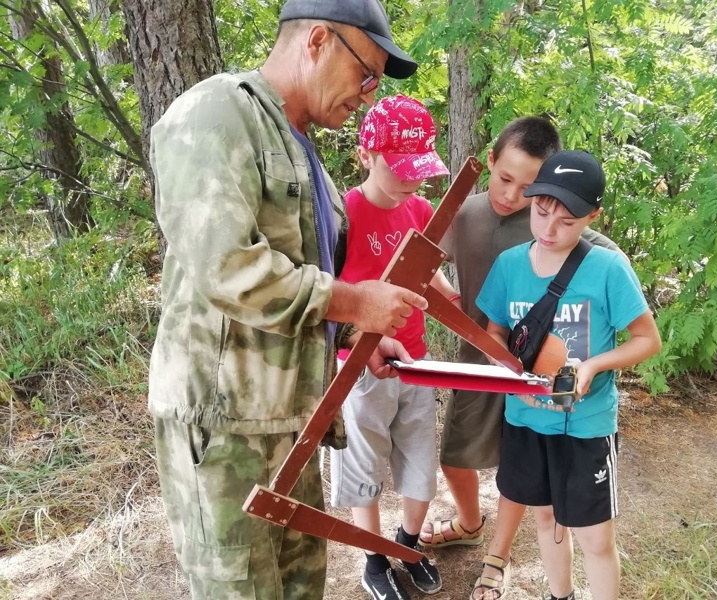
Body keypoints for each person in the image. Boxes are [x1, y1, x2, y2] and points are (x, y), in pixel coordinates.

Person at [147, 2, 428, 599]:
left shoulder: (305, 151)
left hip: (292, 427)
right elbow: (226, 267)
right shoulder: (216, 113)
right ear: (320, 40)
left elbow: (301, 282)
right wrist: (355, 304)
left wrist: (349, 337)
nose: (368, 93)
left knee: (302, 590)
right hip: (225, 433)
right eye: (367, 73)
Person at [420, 117, 624, 599]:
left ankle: (498, 555)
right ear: (490, 162)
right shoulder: (464, 213)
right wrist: (451, 299)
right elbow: (422, 259)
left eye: (527, 186)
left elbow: (603, 263)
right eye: (504, 178)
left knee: (519, 467)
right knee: (455, 455)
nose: (512, 196)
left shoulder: (551, 223)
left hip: (537, 378)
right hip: (479, 361)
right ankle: (470, 522)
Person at [475, 150, 661, 600]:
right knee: (545, 519)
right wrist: (505, 365)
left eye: (567, 221)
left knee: (595, 538)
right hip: (525, 420)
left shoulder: (607, 268)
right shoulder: (510, 265)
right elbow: (495, 331)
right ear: (533, 200)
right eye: (542, 212)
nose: (550, 230)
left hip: (585, 425)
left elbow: (646, 340)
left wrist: (594, 364)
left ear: (592, 217)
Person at [329, 95, 457, 600]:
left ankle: (409, 545)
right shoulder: (342, 214)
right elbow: (330, 291)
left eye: (418, 168)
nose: (411, 179)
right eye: (398, 167)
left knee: (419, 458)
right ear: (366, 155)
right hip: (360, 367)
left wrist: (451, 294)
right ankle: (375, 557)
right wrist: (364, 333)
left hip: (416, 360)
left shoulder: (420, 208)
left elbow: (427, 266)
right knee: (364, 464)